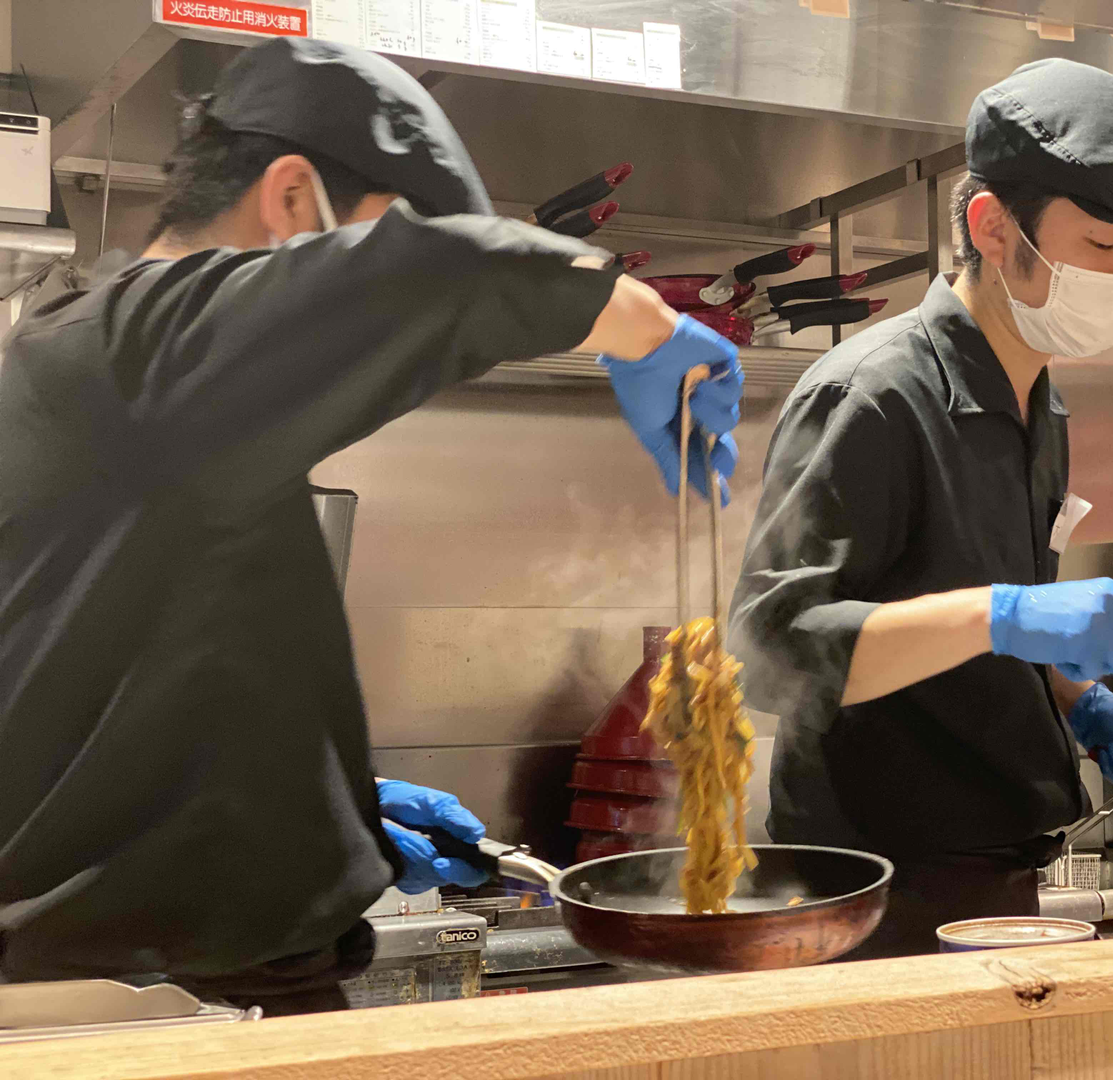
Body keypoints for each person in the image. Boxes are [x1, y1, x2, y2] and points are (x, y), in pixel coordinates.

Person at [0, 38, 741, 1009]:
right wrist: (641, 324)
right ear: (291, 196)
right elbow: (435, 271)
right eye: (366, 242)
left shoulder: (140, 382)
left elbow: (118, 689)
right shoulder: (135, 344)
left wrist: (325, 811)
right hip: (142, 1000)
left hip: (176, 979)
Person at [728, 59, 1113, 960]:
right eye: (1103, 246)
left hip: (995, 874)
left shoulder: (1037, 402)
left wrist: (1080, 704)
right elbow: (773, 651)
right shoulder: (873, 394)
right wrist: (1005, 613)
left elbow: (979, 625)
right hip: (868, 895)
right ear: (994, 227)